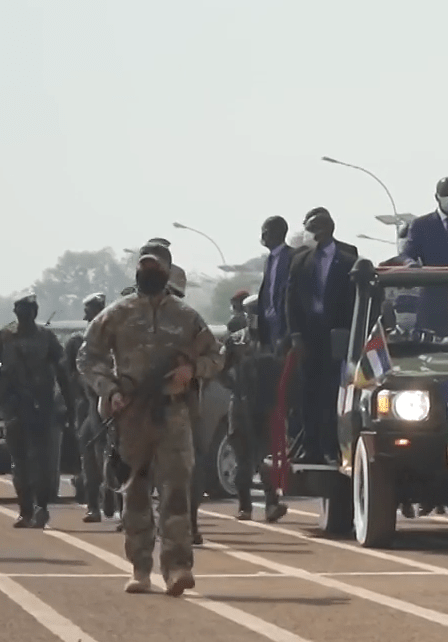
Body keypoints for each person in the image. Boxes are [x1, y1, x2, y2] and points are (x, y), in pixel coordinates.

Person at [77, 243, 224, 596]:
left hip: (173, 413)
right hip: (131, 415)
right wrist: (110, 389)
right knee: (136, 492)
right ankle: (140, 567)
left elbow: (216, 357)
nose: (149, 272)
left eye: (156, 267)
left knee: (176, 490)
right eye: (144, 266)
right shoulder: (116, 314)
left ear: (167, 272)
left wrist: (192, 371)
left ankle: (177, 566)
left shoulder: (186, 317)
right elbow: (88, 357)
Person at [286, 208, 359, 464]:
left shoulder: (348, 259)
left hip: (337, 338)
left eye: (312, 228)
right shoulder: (300, 260)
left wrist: (351, 336)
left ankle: (332, 448)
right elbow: (291, 301)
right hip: (309, 336)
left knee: (333, 394)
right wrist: (295, 335)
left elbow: (354, 301)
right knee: (308, 393)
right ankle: (311, 447)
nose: (308, 233)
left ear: (326, 229)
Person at [1, 294, 75, 528]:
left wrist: (69, 405)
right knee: (19, 461)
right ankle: (26, 510)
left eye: (29, 309)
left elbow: (62, 373)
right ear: (16, 312)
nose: (25, 314)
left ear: (35, 311)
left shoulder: (47, 339)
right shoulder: (5, 337)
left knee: (41, 462)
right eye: (22, 309)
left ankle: (41, 508)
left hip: (42, 407)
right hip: (14, 407)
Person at [221, 295, 289, 523]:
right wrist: (235, 387)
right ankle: (246, 507)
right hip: (244, 406)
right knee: (244, 458)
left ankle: (270, 505)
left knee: (266, 459)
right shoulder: (237, 341)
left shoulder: (276, 342)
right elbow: (219, 368)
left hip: (265, 406)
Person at [64, 292, 108, 523]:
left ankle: (111, 501)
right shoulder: (78, 341)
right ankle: (93, 505)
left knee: (111, 456)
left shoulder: (114, 337)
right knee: (89, 457)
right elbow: (70, 375)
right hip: (88, 405)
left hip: (111, 404)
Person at [257, 216, 293, 353]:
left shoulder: (293, 257)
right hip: (269, 326)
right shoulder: (269, 260)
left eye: (265, 231)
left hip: (285, 326)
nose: (262, 236)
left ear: (276, 232)